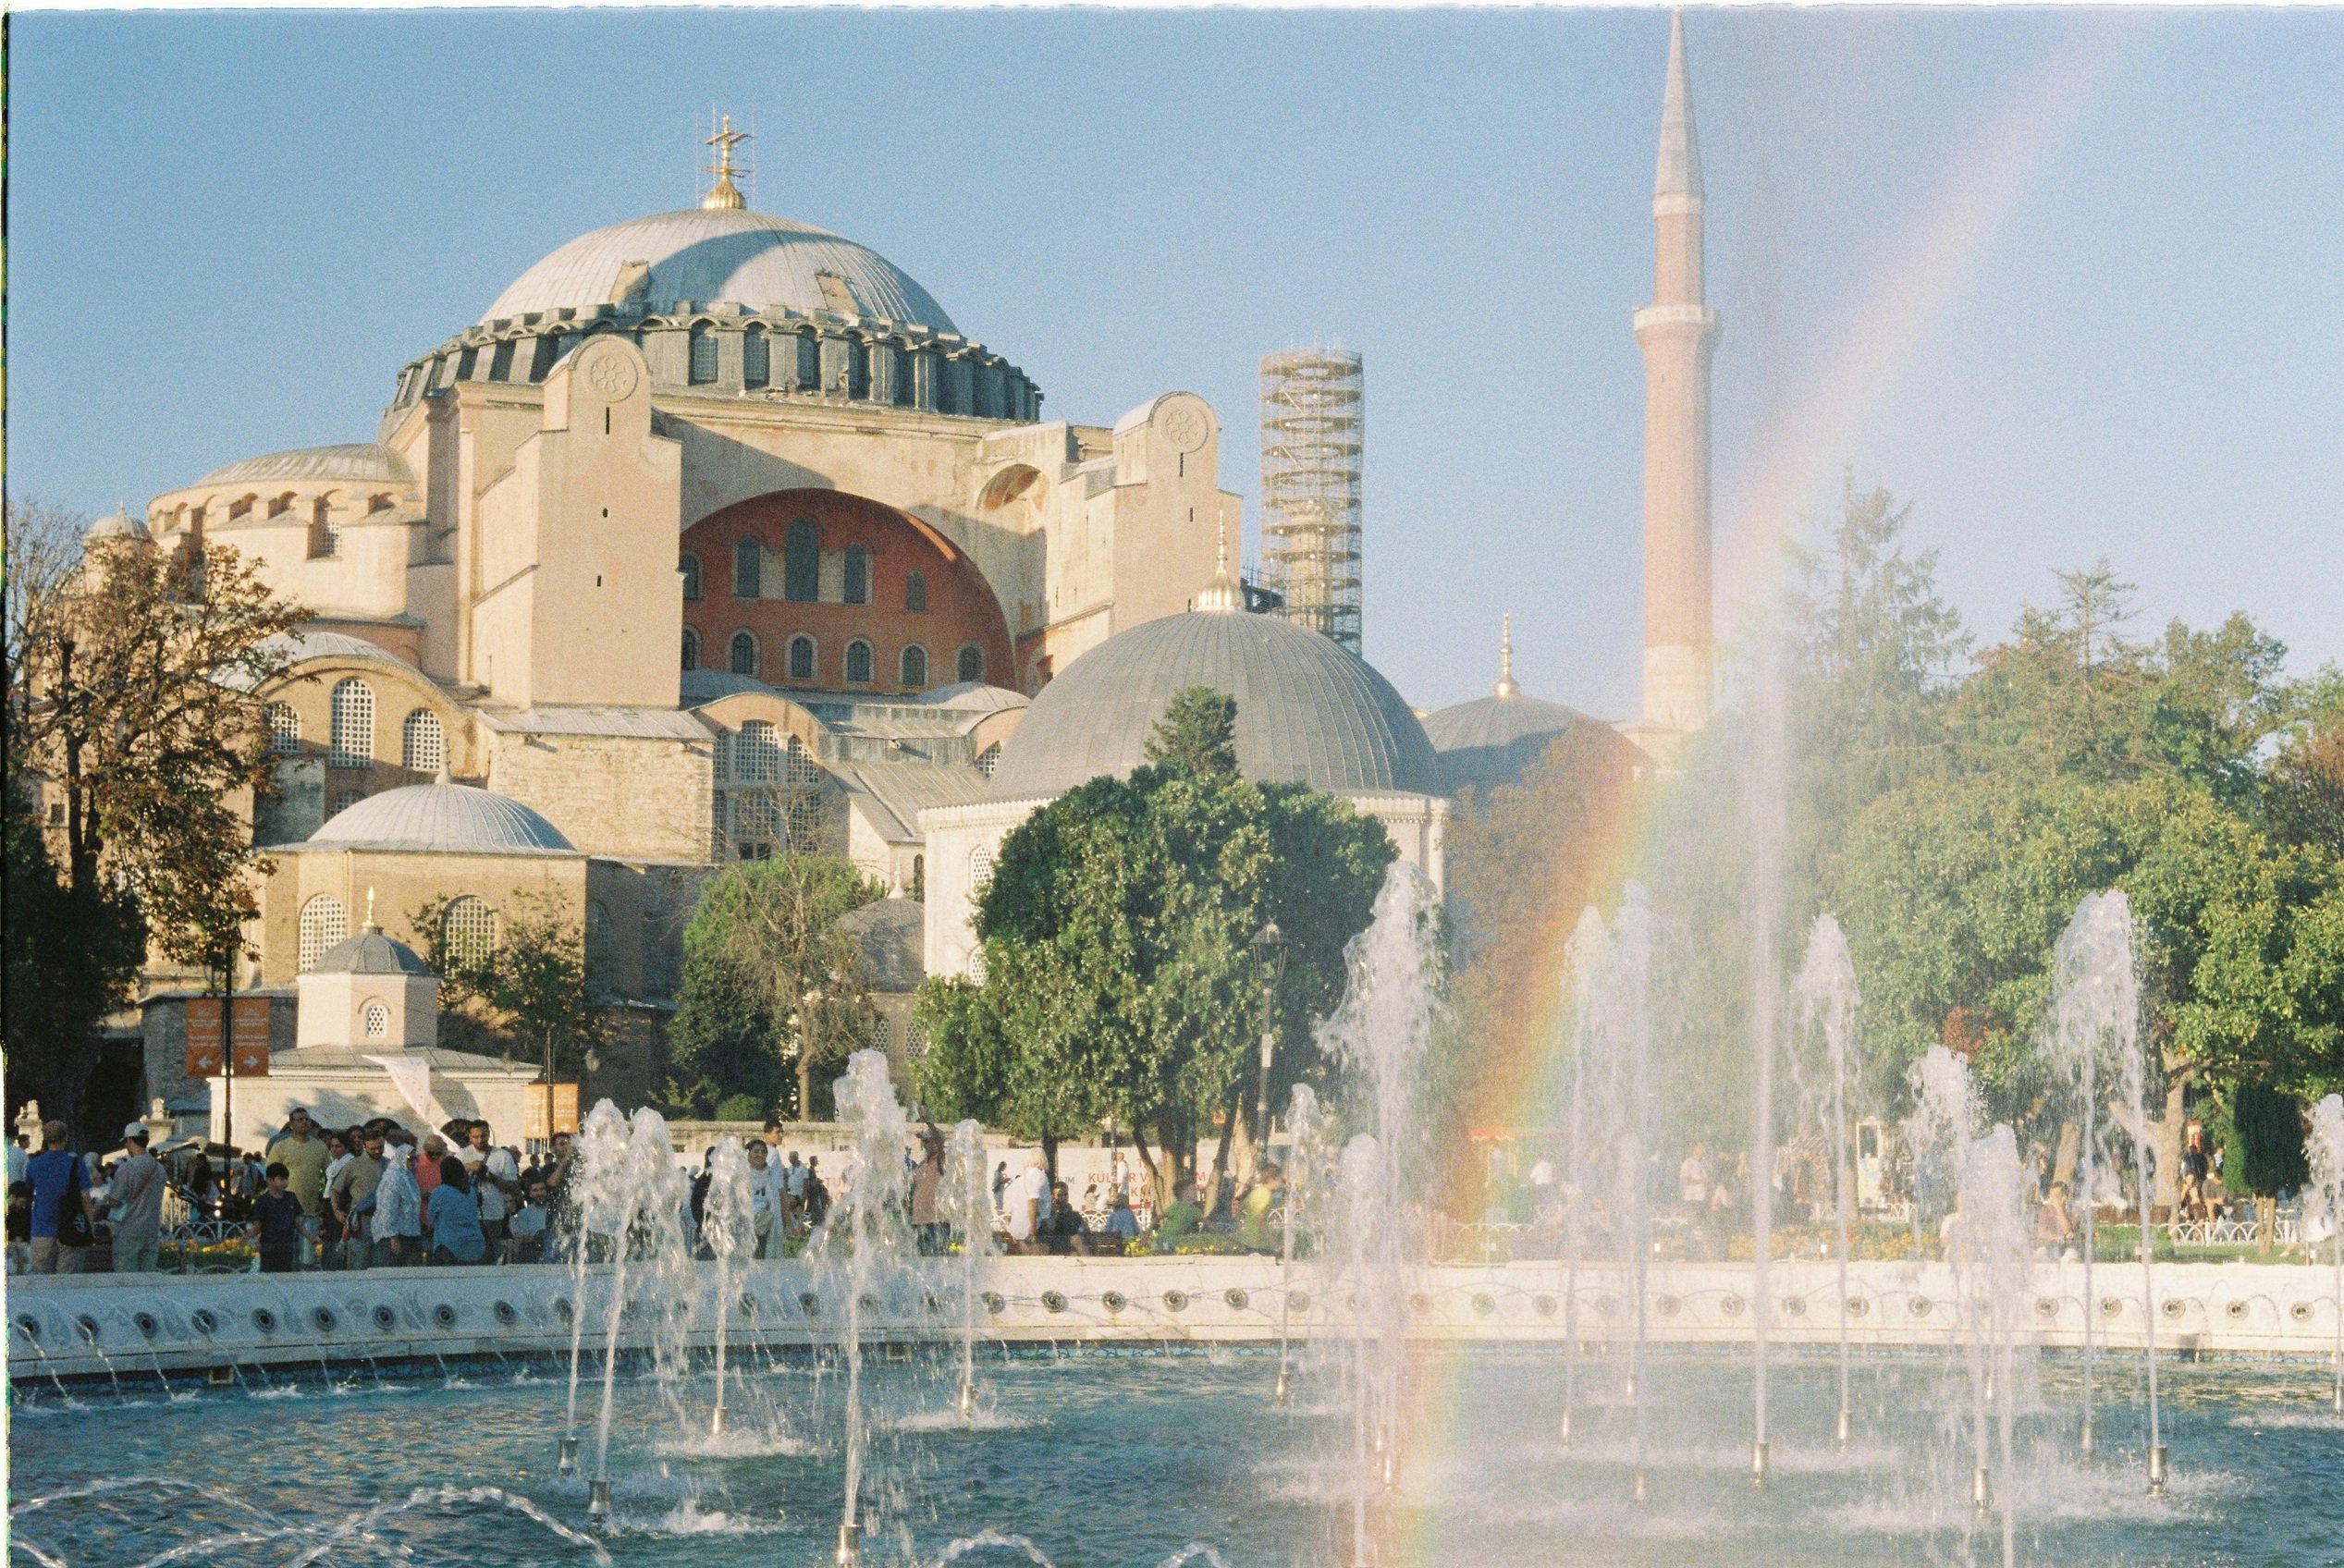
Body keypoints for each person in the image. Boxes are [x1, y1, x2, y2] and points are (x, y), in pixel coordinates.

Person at [264, 1108, 331, 1267]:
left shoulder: (320, 1147)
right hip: (284, 1212)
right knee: (285, 1259)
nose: (304, 1122)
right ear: (291, 1125)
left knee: (307, 1260)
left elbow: (330, 1175)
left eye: (306, 1119)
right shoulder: (280, 1147)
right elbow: (270, 1177)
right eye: (299, 1120)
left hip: (309, 1211)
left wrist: (323, 1200)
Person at [26, 1121, 93, 1275]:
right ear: (66, 1138)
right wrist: (90, 1228)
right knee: (67, 1283)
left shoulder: (34, 1165)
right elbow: (86, 1199)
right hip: (70, 1229)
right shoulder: (76, 1164)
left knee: (40, 1280)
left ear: (45, 1138)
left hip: (41, 1229)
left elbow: (29, 1191)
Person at [107, 1123, 166, 1274]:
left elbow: (114, 1201)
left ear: (130, 1141)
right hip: (152, 1230)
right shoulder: (159, 1169)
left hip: (128, 1231)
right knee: (148, 1280)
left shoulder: (126, 1168)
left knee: (127, 1280)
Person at [328, 1127, 387, 1268]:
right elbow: (335, 1190)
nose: (378, 1151)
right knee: (358, 1267)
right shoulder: (354, 1165)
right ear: (364, 1146)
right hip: (361, 1223)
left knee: (382, 1268)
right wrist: (336, 1211)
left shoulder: (390, 1165)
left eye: (381, 1147)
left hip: (385, 1223)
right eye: (373, 1149)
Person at [461, 1121, 519, 1255]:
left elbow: (513, 1187)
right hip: (469, 1216)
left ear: (488, 1135)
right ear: (469, 1137)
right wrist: (470, 1167)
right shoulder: (462, 1155)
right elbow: (451, 1178)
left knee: (492, 1257)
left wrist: (490, 1176)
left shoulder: (503, 1156)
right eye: (475, 1137)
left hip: (494, 1216)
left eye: (483, 1136)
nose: (479, 1140)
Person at [425, 1155, 487, 1266]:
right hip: (475, 1245)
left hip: (449, 1247)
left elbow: (430, 1218)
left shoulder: (440, 1192)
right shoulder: (471, 1191)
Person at [247, 1163, 306, 1273]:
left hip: (287, 1246)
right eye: (281, 1179)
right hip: (268, 1247)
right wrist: (246, 1237)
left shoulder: (291, 1198)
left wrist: (310, 1237)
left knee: (286, 1277)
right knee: (269, 1277)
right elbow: (257, 1226)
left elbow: (298, 1223)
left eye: (286, 1179)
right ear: (270, 1180)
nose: (285, 1182)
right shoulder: (262, 1201)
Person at [372, 1143, 423, 1267]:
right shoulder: (392, 1179)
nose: (413, 1162)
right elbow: (387, 1208)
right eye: (409, 1158)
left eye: (415, 1158)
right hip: (393, 1237)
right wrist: (392, 1237)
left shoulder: (409, 1178)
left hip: (410, 1235)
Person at [1002, 1155, 1049, 1254]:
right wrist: (1032, 1228)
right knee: (1039, 1255)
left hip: (1018, 1227)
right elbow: (1033, 1200)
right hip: (1033, 1226)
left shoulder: (1019, 1180)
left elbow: (1010, 1206)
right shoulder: (1039, 1176)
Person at [910, 1129, 946, 1256]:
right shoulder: (921, 1165)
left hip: (936, 1221)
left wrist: (929, 1122)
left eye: (928, 1140)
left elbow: (941, 1148)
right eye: (924, 1141)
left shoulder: (942, 1161)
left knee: (938, 1259)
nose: (925, 1144)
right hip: (919, 1220)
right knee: (923, 1261)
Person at [1236, 1163, 1285, 1254]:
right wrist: (1272, 1243)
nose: (1281, 1184)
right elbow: (1261, 1219)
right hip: (1257, 1244)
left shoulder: (1256, 1192)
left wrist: (1240, 1228)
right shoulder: (1265, 1194)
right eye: (1280, 1180)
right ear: (1271, 1179)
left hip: (1247, 1241)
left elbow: (1240, 1209)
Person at [508, 1177, 553, 1263]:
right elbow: (523, 1239)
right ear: (530, 1194)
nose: (539, 1193)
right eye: (535, 1190)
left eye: (542, 1189)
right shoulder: (524, 1213)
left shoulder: (554, 1210)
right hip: (534, 1254)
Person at [1155, 1177, 1205, 1249]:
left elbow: (1207, 1223)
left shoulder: (1194, 1210)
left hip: (1177, 1241)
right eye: (1193, 1189)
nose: (1195, 1192)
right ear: (1184, 1192)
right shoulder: (1176, 1207)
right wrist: (1146, 1237)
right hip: (1165, 1240)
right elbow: (1155, 1220)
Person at [1045, 1180, 1086, 1256]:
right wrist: (1055, 1212)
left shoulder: (1074, 1215)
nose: (1064, 1198)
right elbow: (1050, 1230)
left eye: (1066, 1194)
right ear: (1052, 1197)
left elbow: (1083, 1231)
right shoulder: (1048, 1214)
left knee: (1075, 1248)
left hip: (1069, 1246)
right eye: (1060, 1195)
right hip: (1053, 1247)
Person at [2036, 1182, 2077, 1255]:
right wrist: (2061, 1238)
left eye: (2055, 1197)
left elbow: (2068, 1231)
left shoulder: (2074, 1211)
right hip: (2048, 1247)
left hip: (2068, 1248)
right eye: (2050, 1196)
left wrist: (2059, 1208)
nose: (2051, 1200)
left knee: (2072, 1259)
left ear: (2065, 1197)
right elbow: (2041, 1234)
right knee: (2039, 1256)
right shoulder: (2046, 1210)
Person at [1678, 1142, 1712, 1210]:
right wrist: (1700, 1181)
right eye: (1700, 1148)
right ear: (1694, 1150)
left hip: (1703, 1199)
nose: (1703, 1150)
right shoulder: (1688, 1163)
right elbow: (1685, 1181)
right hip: (1692, 1199)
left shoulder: (1703, 1164)